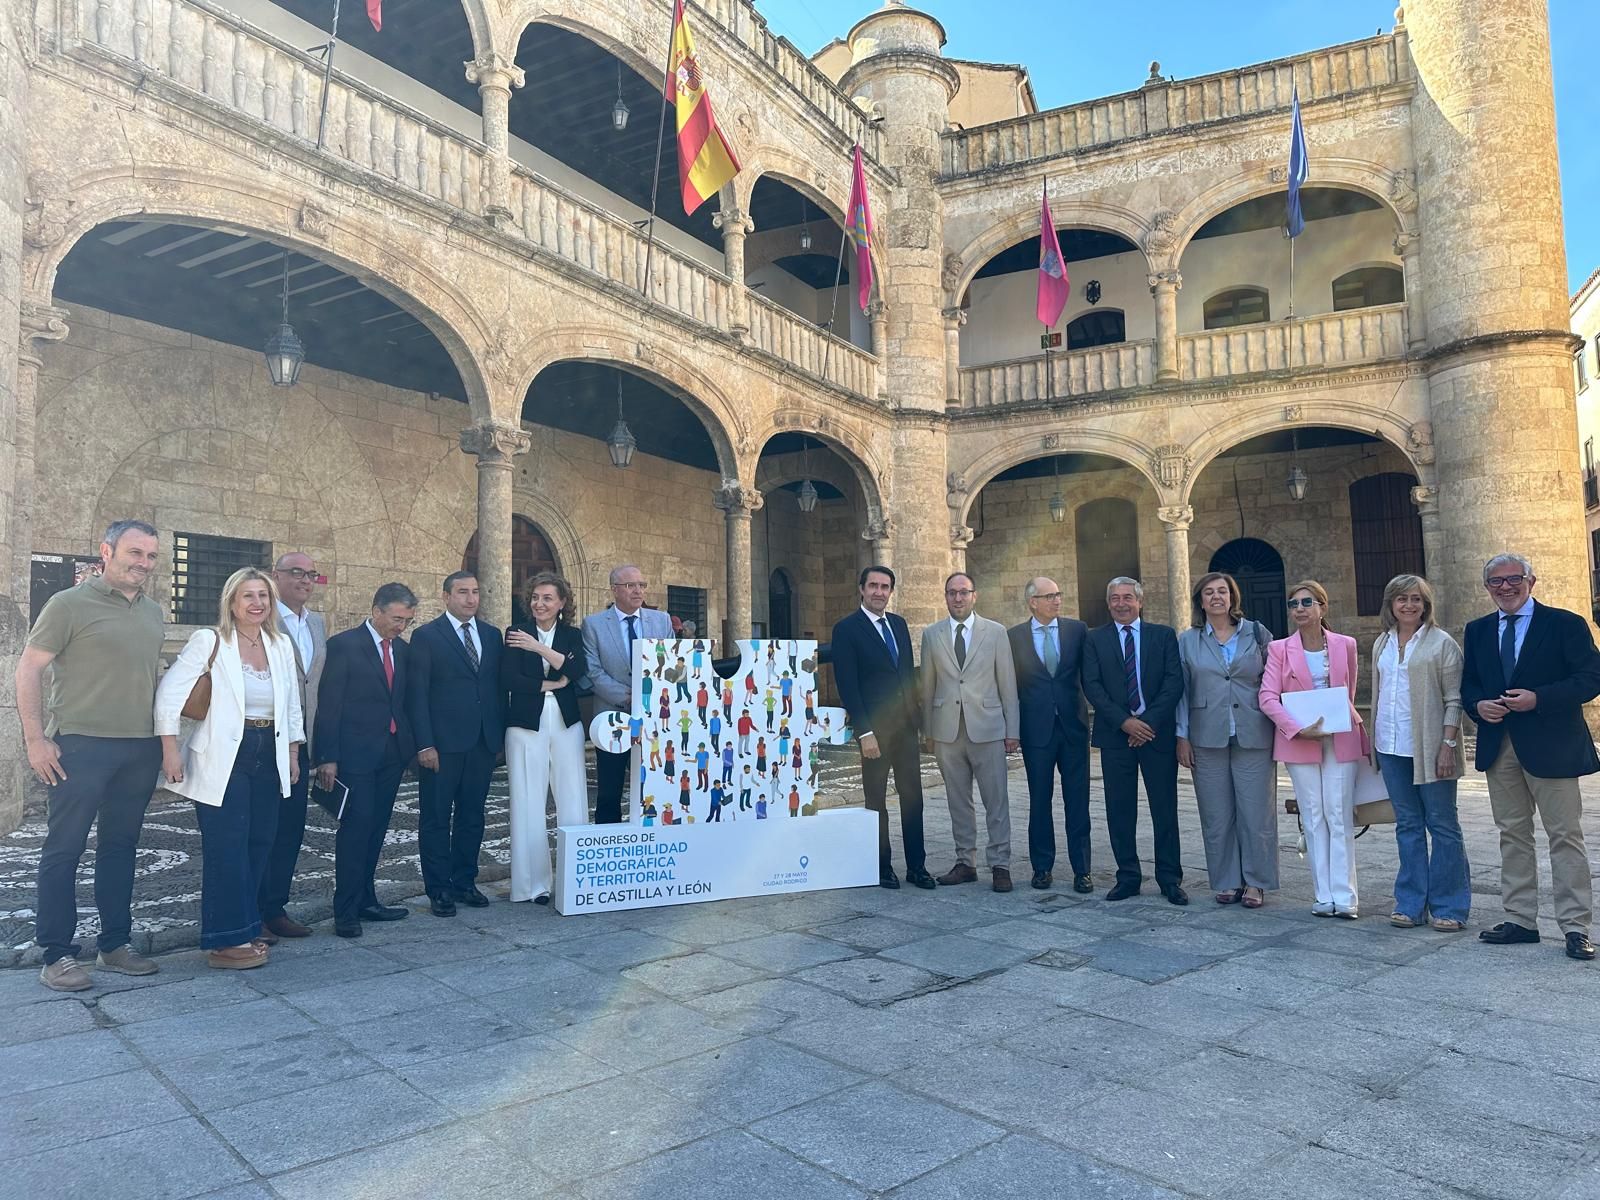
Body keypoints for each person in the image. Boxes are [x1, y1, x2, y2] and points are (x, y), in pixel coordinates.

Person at [18, 519, 165, 991]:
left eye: (151, 556)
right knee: (64, 849)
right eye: (135, 553)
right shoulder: (67, 604)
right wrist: (35, 739)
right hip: (79, 746)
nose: (143, 563)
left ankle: (114, 945)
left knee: (121, 848)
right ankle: (56, 955)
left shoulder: (153, 612)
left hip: (138, 749)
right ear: (107, 550)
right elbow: (28, 670)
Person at [154, 568, 304, 969]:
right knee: (227, 847)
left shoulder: (279, 645)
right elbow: (169, 695)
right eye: (247, 596)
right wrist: (170, 750)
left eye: (263, 596)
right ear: (232, 602)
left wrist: (291, 753)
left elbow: (291, 706)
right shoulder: (211, 640)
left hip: (268, 751)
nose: (257, 603)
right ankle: (224, 943)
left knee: (260, 842)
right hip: (225, 754)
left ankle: (247, 927)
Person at [1463, 554, 1600, 961]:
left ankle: (1576, 927)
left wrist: (1540, 699)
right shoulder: (1478, 630)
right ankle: (1521, 919)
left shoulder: (1565, 624)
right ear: (1486, 587)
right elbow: (1470, 683)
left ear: (1531, 581)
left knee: (1565, 836)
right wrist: (1478, 706)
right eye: (1496, 581)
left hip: (1552, 745)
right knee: (1512, 835)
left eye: (1513, 579)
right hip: (1499, 744)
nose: (1505, 587)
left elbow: (1591, 678)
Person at [314, 583, 418, 938]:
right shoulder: (343, 646)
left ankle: (367, 900)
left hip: (391, 754)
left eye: (406, 621)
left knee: (376, 830)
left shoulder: (402, 651)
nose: (400, 626)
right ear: (376, 610)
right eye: (396, 618)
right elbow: (329, 704)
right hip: (354, 755)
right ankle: (345, 911)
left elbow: (401, 702)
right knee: (355, 832)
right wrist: (327, 756)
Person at [1259, 580, 1366, 919]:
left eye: (1307, 602)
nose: (1300, 609)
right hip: (1299, 740)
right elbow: (1266, 696)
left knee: (1340, 814)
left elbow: (1348, 691)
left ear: (1322, 606)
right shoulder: (1279, 649)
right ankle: (1323, 895)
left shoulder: (1345, 645)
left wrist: (1339, 721)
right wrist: (1296, 728)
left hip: (1340, 736)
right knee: (1313, 815)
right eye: (1293, 604)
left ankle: (1345, 896)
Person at [1369, 574, 1469, 932]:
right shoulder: (1382, 643)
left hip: (1431, 747)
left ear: (1426, 605)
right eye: (1401, 599)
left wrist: (1449, 745)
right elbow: (1379, 694)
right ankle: (1410, 903)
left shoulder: (1441, 643)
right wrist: (1372, 747)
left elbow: (1454, 699)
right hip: (1391, 745)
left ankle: (1450, 906)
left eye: (1416, 599)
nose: (1409, 605)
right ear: (1391, 604)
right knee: (1407, 825)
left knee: (1442, 825)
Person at [830, 565, 936, 890]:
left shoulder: (899, 625)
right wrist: (864, 732)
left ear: (891, 591)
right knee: (876, 801)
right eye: (873, 585)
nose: (879, 592)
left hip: (905, 729)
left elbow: (906, 676)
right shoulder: (847, 629)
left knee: (913, 798)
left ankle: (917, 867)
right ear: (861, 589)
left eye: (885, 586)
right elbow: (847, 685)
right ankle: (882, 866)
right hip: (874, 733)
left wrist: (918, 721)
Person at [1175, 572, 1277, 909]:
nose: (1217, 597)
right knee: (1216, 815)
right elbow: (1182, 693)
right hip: (1206, 736)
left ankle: (1256, 882)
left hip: (1254, 732)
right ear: (1200, 600)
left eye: (1223, 591)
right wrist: (1182, 736)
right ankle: (1227, 880)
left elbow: (1274, 681)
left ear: (1233, 597)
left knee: (1256, 813)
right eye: (1209, 592)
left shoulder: (1258, 633)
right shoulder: (1187, 640)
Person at [1082, 577, 1187, 905]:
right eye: (1115, 598)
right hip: (1116, 737)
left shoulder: (1164, 636)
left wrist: (1147, 723)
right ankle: (1127, 876)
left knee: (1164, 808)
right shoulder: (1094, 639)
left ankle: (1169, 878)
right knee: (1120, 809)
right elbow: (1092, 685)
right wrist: (1126, 723)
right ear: (1108, 602)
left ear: (1140, 601)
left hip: (1156, 735)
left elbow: (1174, 682)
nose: (1121, 603)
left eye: (1128, 597)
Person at [406, 571, 505, 918]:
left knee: (472, 816)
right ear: (446, 596)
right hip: (441, 746)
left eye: (475, 592)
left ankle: (465, 881)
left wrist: (499, 737)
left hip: (481, 743)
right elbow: (416, 695)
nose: (471, 599)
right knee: (435, 818)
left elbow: (494, 689)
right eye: (463, 592)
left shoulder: (492, 636)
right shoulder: (426, 636)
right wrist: (424, 744)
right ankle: (439, 889)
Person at [921, 572, 1020, 892]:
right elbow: (927, 686)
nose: (958, 598)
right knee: (957, 800)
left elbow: (1008, 683)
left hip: (988, 728)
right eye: (952, 593)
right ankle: (965, 862)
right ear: (945, 597)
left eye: (963, 592)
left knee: (996, 800)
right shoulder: (932, 634)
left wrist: (1012, 729)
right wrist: (928, 731)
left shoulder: (995, 632)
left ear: (974, 596)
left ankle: (1000, 864)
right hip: (947, 730)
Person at [502, 571, 587, 905]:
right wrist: (554, 681)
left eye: (547, 598)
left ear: (562, 602)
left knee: (573, 799)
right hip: (525, 724)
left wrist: (537, 648)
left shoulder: (573, 634)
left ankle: (575, 878)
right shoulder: (514, 633)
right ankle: (533, 885)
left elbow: (579, 672)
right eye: (535, 598)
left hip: (566, 723)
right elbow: (510, 678)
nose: (540, 603)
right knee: (527, 801)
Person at [258, 552, 327, 939]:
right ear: (276, 576)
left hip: (304, 743)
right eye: (295, 572)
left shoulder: (316, 623)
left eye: (311, 574)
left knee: (290, 829)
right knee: (261, 829)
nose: (304, 580)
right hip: (266, 741)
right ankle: (251, 912)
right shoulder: (263, 618)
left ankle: (275, 908)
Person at [1008, 576, 1092, 893]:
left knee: (1078, 800)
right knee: (1039, 800)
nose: (1057, 600)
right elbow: (1010, 686)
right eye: (1050, 596)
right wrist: (1011, 730)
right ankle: (1042, 868)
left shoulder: (1077, 630)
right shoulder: (1014, 636)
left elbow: (1090, 675)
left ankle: (1082, 869)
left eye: (1059, 594)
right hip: (1036, 731)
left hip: (1073, 728)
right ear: (1033, 602)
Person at [583, 565, 672, 822]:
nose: (638, 590)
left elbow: (668, 664)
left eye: (641, 585)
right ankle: (608, 841)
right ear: (614, 590)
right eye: (630, 585)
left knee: (652, 786)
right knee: (610, 791)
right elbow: (593, 671)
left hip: (654, 719)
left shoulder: (661, 621)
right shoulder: (594, 624)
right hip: (612, 717)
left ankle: (650, 838)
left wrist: (649, 698)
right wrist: (630, 697)